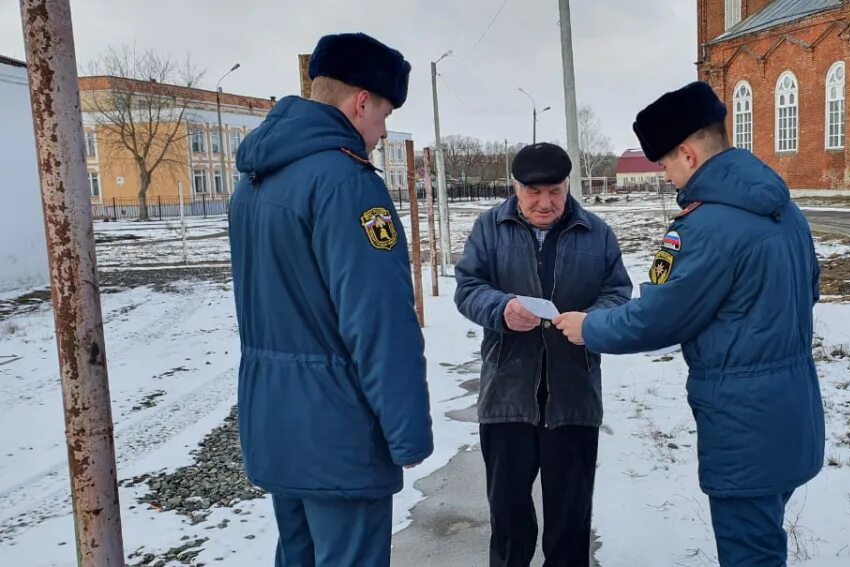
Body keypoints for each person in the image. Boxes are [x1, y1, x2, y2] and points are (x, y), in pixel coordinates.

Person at [553, 81, 825, 566]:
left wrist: (587, 328)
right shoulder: (783, 209)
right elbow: (810, 290)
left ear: (688, 154)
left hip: (743, 424)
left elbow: (657, 317)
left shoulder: (706, 227)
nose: (667, 178)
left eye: (665, 166)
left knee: (750, 553)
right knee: (765, 541)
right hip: (792, 410)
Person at [228, 32, 432, 567]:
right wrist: (408, 434)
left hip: (277, 422)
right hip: (341, 431)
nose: (384, 131)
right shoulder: (346, 181)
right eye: (385, 113)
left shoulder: (255, 179)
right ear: (360, 101)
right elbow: (380, 320)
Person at [454, 142, 632, 566]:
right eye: (534, 192)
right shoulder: (489, 228)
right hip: (507, 396)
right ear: (515, 187)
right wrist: (501, 310)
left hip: (573, 397)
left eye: (555, 191)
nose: (545, 202)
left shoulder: (596, 232)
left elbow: (618, 292)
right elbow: (468, 288)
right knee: (509, 520)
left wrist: (591, 322)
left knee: (570, 522)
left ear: (567, 185)